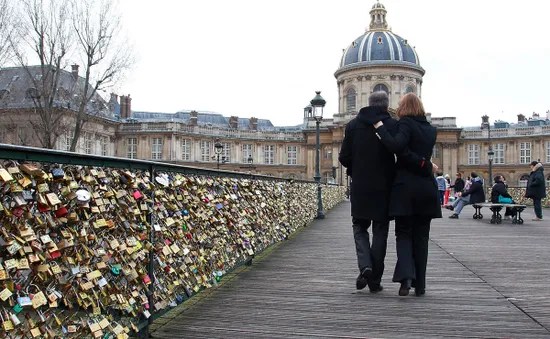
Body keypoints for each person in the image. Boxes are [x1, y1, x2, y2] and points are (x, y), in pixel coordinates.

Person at [339, 91, 433, 293]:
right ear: (386, 105)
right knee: (380, 232)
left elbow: (344, 157)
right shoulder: (393, 125)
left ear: (368, 102)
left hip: (361, 186)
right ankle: (374, 281)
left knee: (359, 228)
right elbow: (401, 152)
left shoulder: (352, 126)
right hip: (385, 187)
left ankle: (365, 266)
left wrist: (356, 167)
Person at [372, 93, 441, 297]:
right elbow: (420, 155)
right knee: (422, 238)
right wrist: (427, 165)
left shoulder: (405, 124)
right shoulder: (431, 129)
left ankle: (406, 279)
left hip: (406, 188)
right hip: (427, 189)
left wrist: (380, 129)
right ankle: (420, 285)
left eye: (400, 104)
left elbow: (398, 148)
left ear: (405, 107)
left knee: (403, 235)